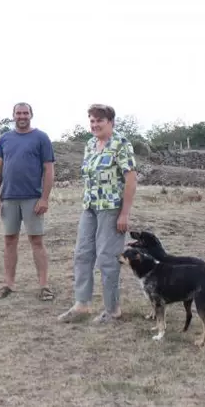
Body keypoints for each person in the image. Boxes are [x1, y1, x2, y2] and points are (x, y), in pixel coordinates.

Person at [57, 104, 138, 324]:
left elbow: (131, 178)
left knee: (107, 258)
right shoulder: (91, 144)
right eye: (92, 121)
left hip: (111, 209)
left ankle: (112, 310)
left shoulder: (121, 144)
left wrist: (124, 214)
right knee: (82, 254)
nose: (94, 125)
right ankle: (81, 304)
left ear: (110, 122)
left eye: (99, 121)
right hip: (90, 207)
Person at [0, 102, 56, 301]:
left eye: (25, 113)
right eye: (18, 113)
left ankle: (44, 286)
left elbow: (49, 169)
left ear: (31, 115)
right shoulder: (5, 139)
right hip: (9, 198)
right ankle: (8, 284)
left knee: (36, 241)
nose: (22, 116)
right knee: (9, 241)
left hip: (33, 198)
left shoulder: (41, 138)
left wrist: (44, 198)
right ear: (13, 115)